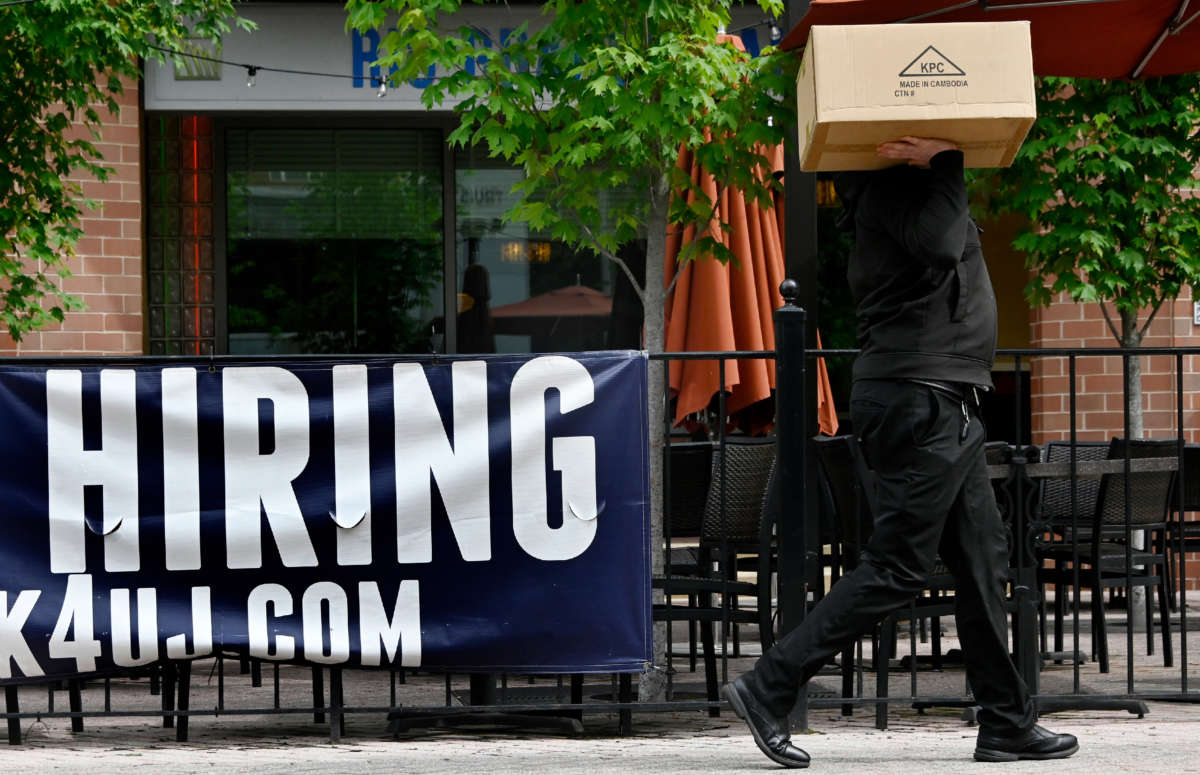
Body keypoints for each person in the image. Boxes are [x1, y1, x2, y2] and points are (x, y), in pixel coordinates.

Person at [722, 137, 1079, 767]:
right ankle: (768, 684)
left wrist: (940, 166)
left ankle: (1005, 723)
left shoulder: (898, 199)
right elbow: (942, 244)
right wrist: (947, 159)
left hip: (945, 403)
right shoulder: (891, 192)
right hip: (921, 403)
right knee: (898, 566)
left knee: (981, 562)